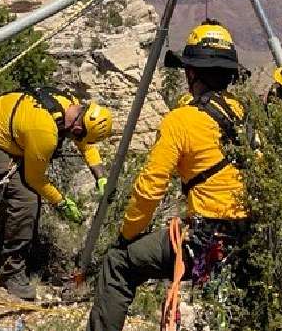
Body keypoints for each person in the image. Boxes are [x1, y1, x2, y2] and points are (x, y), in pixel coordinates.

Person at [88, 20, 251, 331]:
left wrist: (127, 235)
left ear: (191, 73)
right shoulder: (243, 113)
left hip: (206, 240)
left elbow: (150, 188)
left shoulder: (181, 120)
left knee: (118, 263)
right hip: (247, 235)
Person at [0, 88, 114, 300]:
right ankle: (12, 272)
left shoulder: (71, 106)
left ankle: (25, 250)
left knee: (28, 193)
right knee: (26, 197)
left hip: (9, 132)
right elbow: (34, 179)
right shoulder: (45, 131)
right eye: (79, 134)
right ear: (79, 125)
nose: (78, 139)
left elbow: (85, 144)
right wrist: (62, 203)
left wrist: (100, 175)